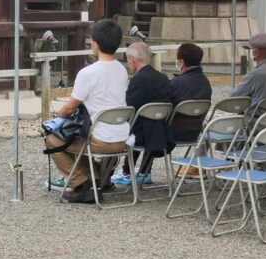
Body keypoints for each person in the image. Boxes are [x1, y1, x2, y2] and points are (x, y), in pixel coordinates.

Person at [45, 19, 130, 204]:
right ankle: (96, 178)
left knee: (53, 140)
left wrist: (55, 119)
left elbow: (69, 107)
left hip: (101, 140)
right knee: (77, 137)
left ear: (96, 44)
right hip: (122, 137)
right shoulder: (122, 70)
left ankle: (81, 184)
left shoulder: (88, 72)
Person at [112, 41, 171, 187]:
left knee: (131, 123)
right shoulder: (163, 78)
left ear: (131, 60)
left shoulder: (139, 79)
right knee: (149, 121)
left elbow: (129, 106)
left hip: (139, 134)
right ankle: (145, 171)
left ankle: (126, 172)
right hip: (159, 132)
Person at [229, 32, 266, 119]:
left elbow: (234, 96)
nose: (251, 51)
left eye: (252, 48)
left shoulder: (256, 74)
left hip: (256, 122)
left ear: (258, 52)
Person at [168, 42, 212, 144]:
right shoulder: (206, 82)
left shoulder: (176, 82)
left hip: (173, 132)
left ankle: (141, 160)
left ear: (181, 62)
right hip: (195, 132)